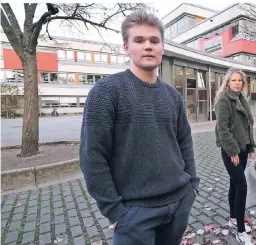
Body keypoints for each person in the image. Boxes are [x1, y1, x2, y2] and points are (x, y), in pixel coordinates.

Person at [79, 11, 199, 245]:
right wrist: (114, 211)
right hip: (133, 214)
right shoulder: (106, 92)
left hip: (178, 205)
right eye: (139, 40)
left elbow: (184, 142)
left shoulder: (173, 96)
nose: (148, 46)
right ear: (126, 46)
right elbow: (92, 156)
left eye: (154, 41)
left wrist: (192, 186)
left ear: (162, 47)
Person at [215, 68, 256, 245]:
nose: (237, 83)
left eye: (240, 80)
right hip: (231, 150)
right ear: (227, 82)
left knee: (234, 184)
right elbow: (222, 130)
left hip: (243, 148)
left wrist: (250, 145)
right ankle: (240, 231)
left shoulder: (241, 98)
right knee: (242, 188)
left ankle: (233, 218)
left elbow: (248, 125)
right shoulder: (223, 100)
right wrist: (232, 152)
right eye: (234, 80)